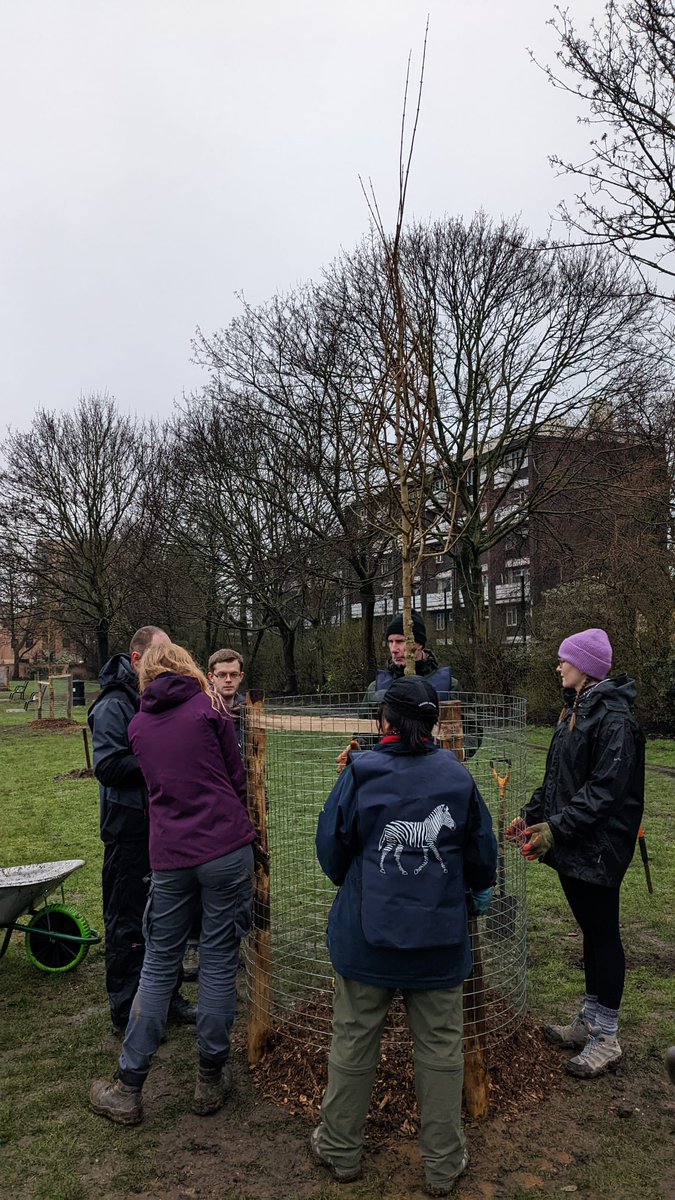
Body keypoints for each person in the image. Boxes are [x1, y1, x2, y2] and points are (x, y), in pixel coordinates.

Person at [313, 676, 498, 1196]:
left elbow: (331, 851)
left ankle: (340, 1149)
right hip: (439, 942)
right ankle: (443, 1164)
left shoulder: (361, 773)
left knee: (353, 1039)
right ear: (433, 722)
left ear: (385, 722)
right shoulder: (458, 777)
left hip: (366, 939)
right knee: (441, 1048)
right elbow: (484, 861)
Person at [90, 641, 256, 1125]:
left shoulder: (138, 725)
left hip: (169, 857)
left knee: (159, 963)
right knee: (220, 960)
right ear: (187, 667)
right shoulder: (209, 708)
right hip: (224, 849)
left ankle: (128, 1087)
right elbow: (234, 774)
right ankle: (209, 1078)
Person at [508, 628, 645, 1079]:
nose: (558, 666)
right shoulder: (578, 710)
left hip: (600, 848)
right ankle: (590, 1020)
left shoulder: (615, 720)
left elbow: (603, 791)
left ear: (585, 667)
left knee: (603, 934)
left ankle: (607, 1037)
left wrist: (557, 829)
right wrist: (531, 816)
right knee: (591, 931)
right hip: (577, 843)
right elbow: (559, 781)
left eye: (565, 659)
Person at [88, 625, 196, 1035]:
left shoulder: (153, 698)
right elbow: (109, 767)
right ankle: (125, 1013)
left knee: (163, 923)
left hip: (161, 825)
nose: (167, 663)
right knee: (128, 924)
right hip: (128, 829)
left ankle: (167, 1002)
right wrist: (161, 759)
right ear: (137, 660)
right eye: (160, 655)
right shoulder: (115, 704)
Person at [182, 648, 248, 981]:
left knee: (240, 884)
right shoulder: (201, 710)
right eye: (221, 674)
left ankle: (233, 949)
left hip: (245, 802)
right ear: (210, 676)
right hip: (211, 807)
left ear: (241, 676)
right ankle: (202, 948)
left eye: (233, 674)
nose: (227, 680)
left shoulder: (250, 714)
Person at [362, 613, 456, 708]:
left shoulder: (448, 686)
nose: (394, 649)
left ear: (419, 644)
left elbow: (467, 722)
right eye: (390, 642)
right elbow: (362, 722)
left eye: (400, 641)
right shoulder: (376, 687)